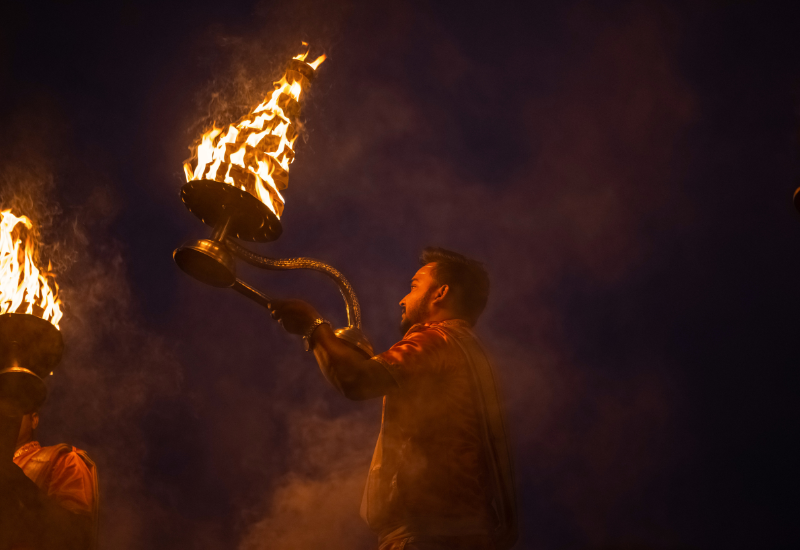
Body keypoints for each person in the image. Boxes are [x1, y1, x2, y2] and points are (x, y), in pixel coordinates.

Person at [270, 247, 517, 550]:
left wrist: (312, 326)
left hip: (428, 537)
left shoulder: (437, 338)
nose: (403, 298)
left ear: (440, 294)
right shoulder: (469, 352)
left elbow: (355, 381)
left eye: (414, 286)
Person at [0, 407, 98, 550]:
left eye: (14, 412)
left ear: (34, 420)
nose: (5, 419)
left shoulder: (65, 460)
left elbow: (75, 536)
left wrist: (14, 480)